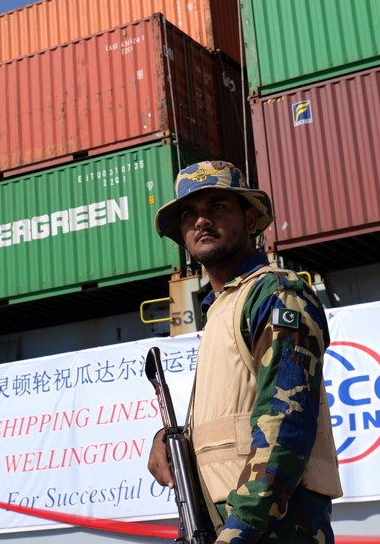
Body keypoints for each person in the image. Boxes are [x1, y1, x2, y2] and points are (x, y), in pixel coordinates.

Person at [147, 161, 342, 543]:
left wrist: (241, 529)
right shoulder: (223, 308)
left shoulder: (274, 293)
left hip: (268, 527)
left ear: (251, 220)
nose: (201, 221)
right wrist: (171, 439)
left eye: (217, 207)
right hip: (226, 523)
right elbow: (233, 418)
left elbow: (286, 419)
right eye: (189, 214)